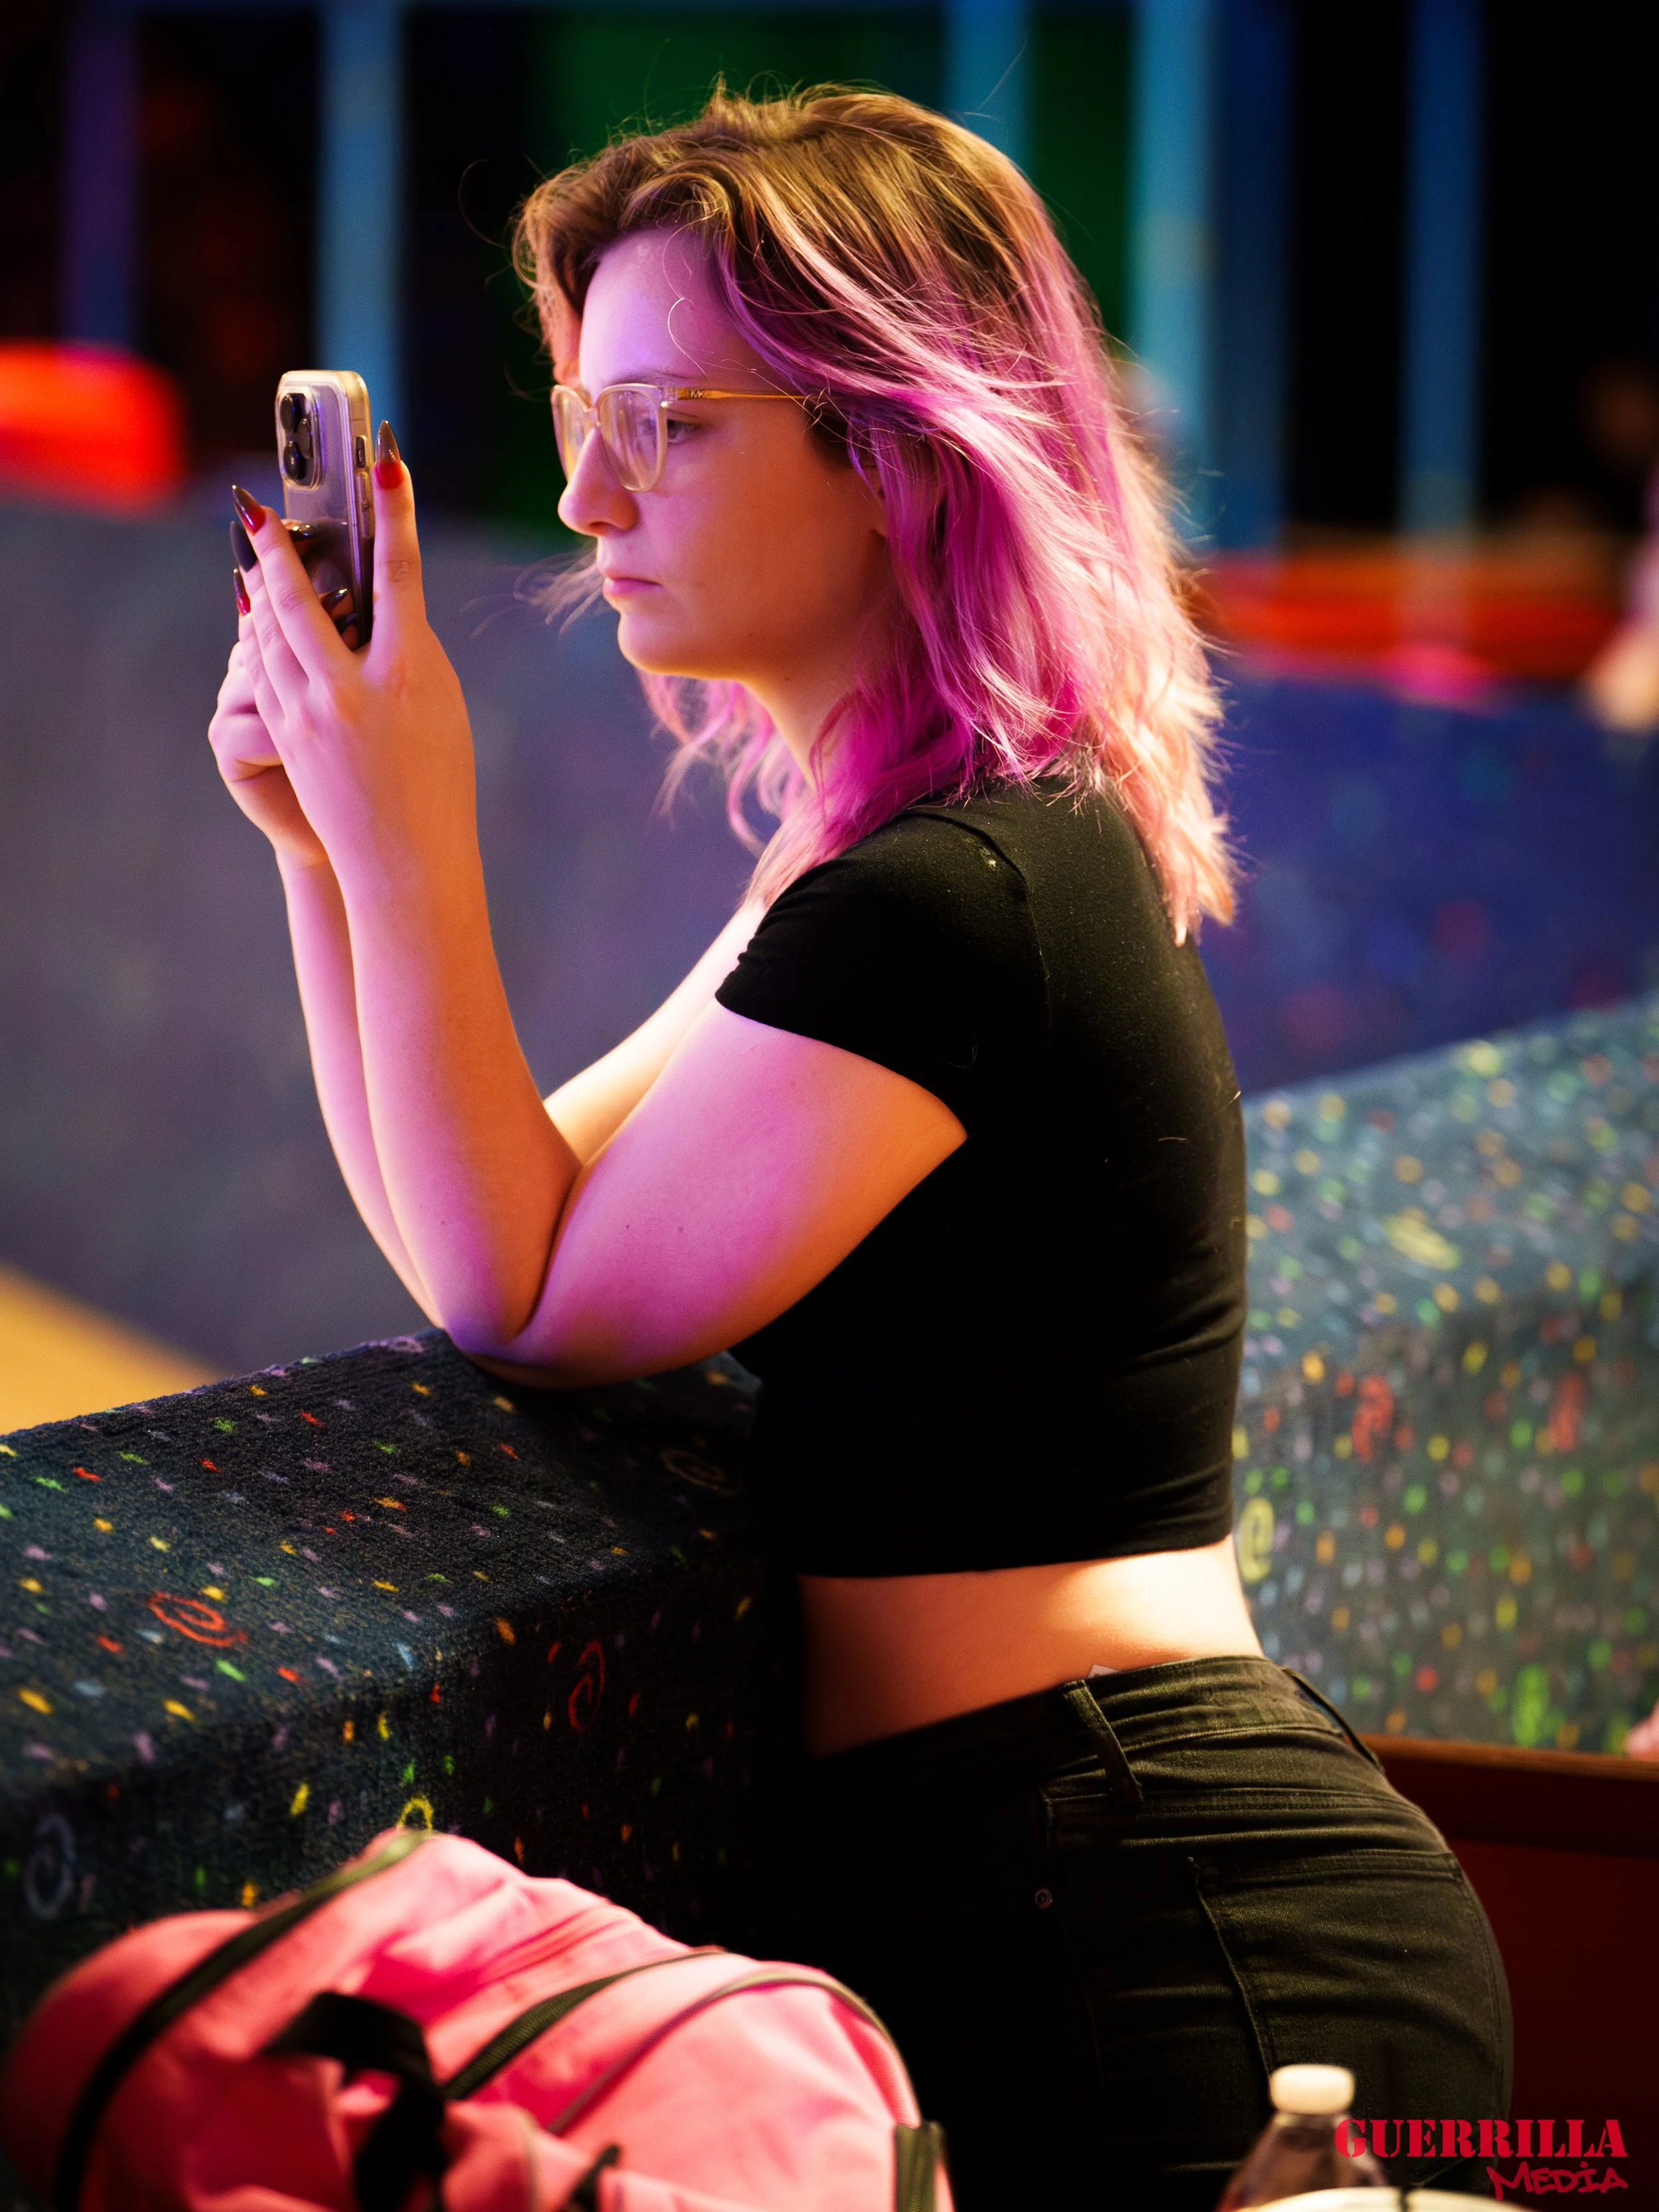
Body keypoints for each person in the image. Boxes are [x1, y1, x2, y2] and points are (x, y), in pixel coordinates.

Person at [210, 87, 1510, 2210]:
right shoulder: (885, 864)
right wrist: (317, 849)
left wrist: (406, 818)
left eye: (667, 422)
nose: (582, 489)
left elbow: (522, 1299)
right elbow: (501, 1212)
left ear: (899, 447)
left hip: (1180, 1921)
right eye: (577, 414)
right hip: (1050, 1893)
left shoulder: (957, 893)